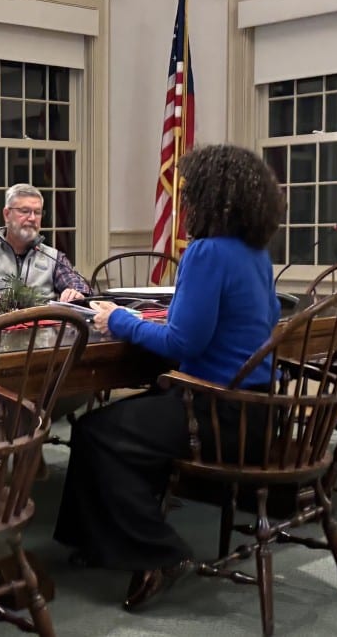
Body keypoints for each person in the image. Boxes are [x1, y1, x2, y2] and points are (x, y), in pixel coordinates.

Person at [52, 144, 284, 611]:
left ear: (212, 196)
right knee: (116, 426)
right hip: (258, 413)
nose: (184, 203)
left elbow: (182, 346)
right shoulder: (255, 253)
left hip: (216, 413)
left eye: (189, 193)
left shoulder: (206, 253)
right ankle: (98, 542)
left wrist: (116, 319)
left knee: (98, 432)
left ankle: (160, 552)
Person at [0, 183, 90, 302]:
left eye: (37, 212)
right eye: (25, 211)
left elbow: (80, 287)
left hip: (43, 326)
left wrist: (76, 293)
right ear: (6, 214)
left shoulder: (53, 257)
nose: (32, 218)